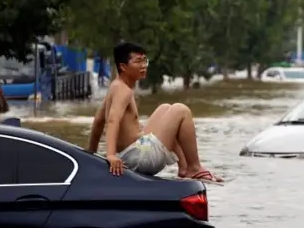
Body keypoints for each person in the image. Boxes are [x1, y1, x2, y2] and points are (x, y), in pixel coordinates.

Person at [86, 42, 223, 182]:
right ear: (123, 66)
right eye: (138, 61)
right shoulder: (123, 90)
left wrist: (90, 156)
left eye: (145, 60)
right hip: (138, 157)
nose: (144, 65)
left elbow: (98, 122)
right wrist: (110, 155)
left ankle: (184, 168)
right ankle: (194, 168)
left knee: (164, 109)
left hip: (132, 153)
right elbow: (112, 120)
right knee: (181, 110)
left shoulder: (115, 87)